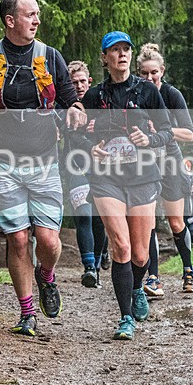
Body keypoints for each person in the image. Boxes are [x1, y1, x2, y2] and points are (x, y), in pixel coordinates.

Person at [0, 0, 86, 337]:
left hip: (44, 162)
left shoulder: (51, 57)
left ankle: (47, 276)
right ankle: (27, 313)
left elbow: (71, 102)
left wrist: (74, 114)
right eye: (30, 15)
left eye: (37, 14)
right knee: (17, 239)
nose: (37, 20)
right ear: (10, 20)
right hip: (1, 164)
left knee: (48, 241)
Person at [69, 31, 173, 340]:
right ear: (104, 58)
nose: (122, 54)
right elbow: (75, 133)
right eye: (115, 50)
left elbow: (167, 131)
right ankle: (125, 316)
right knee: (121, 246)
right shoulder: (93, 96)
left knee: (140, 256)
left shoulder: (147, 92)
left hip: (142, 175)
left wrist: (150, 139)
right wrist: (90, 147)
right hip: (106, 177)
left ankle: (138, 286)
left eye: (126, 49)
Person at [136, 43, 193, 296]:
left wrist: (163, 131)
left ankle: (188, 270)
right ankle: (153, 277)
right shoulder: (135, 94)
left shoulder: (172, 95)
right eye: (144, 74)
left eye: (154, 73)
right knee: (148, 222)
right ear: (138, 73)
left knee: (175, 221)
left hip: (170, 158)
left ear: (162, 71)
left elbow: (190, 134)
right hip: (143, 160)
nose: (149, 78)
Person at [63, 60, 109, 288]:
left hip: (101, 166)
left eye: (82, 81)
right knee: (84, 214)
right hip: (76, 165)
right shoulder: (65, 106)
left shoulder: (99, 100)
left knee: (100, 220)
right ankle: (89, 268)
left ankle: (99, 260)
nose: (79, 86)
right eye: (74, 83)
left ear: (89, 81)